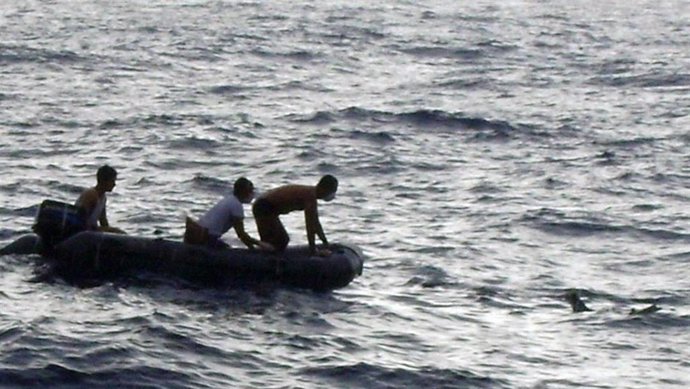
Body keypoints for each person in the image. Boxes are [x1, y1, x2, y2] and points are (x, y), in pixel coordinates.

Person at [252, 174, 338, 256]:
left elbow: (316, 224)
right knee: (280, 240)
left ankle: (265, 255)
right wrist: (313, 251)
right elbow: (310, 227)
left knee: (280, 240)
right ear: (324, 189)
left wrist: (325, 243)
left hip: (268, 208)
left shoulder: (311, 195)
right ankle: (260, 259)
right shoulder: (309, 197)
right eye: (332, 191)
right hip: (264, 206)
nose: (332, 195)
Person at [184, 177, 263, 249]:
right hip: (206, 238)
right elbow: (241, 234)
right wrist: (259, 244)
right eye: (250, 191)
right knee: (227, 250)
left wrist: (252, 247)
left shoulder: (229, 199)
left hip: (199, 234)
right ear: (244, 192)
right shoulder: (236, 206)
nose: (252, 194)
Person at [75, 165, 125, 234]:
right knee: (117, 231)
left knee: (118, 232)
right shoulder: (91, 195)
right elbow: (81, 219)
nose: (114, 184)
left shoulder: (103, 197)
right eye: (112, 181)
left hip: (90, 230)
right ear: (104, 181)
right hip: (81, 231)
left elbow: (103, 221)